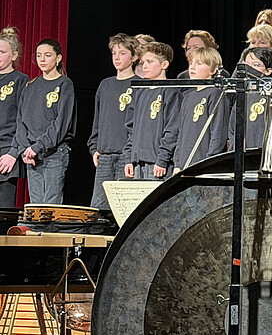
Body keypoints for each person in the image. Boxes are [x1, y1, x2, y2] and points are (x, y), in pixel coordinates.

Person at [9, 39, 77, 203]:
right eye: (39, 55)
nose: (42, 59)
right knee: (36, 204)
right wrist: (25, 149)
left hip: (54, 152)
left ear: (58, 58)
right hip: (32, 154)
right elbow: (21, 120)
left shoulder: (64, 84)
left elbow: (61, 123)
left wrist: (38, 146)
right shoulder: (30, 85)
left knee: (50, 203)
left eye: (47, 55)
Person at [88, 33, 139, 215]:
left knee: (124, 209)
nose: (117, 58)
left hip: (127, 156)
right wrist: (94, 146)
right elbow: (98, 120)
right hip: (105, 156)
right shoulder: (105, 85)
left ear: (134, 57)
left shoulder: (139, 85)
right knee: (98, 209)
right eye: (114, 53)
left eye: (122, 53)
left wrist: (132, 155)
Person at [124, 42, 180, 181]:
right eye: (143, 62)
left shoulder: (171, 92)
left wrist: (162, 159)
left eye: (150, 62)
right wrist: (129, 158)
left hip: (157, 163)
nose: (145, 66)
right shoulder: (140, 91)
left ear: (164, 65)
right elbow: (131, 128)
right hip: (138, 162)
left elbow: (172, 129)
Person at [173, 46, 229, 173]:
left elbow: (218, 132)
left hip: (203, 164)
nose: (192, 67)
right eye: (191, 63)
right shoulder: (188, 97)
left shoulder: (215, 94)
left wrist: (210, 162)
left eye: (199, 64)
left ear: (213, 70)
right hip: (184, 164)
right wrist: (177, 163)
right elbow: (181, 134)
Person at [229, 46, 272, 151]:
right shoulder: (242, 95)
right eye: (246, 65)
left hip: (265, 154)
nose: (248, 69)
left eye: (255, 65)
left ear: (268, 71)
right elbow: (233, 129)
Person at [0, 28, 29, 207]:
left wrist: (13, 153)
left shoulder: (21, 81)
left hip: (6, 151)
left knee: (3, 209)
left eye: (2, 52)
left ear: (14, 55)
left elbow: (23, 120)